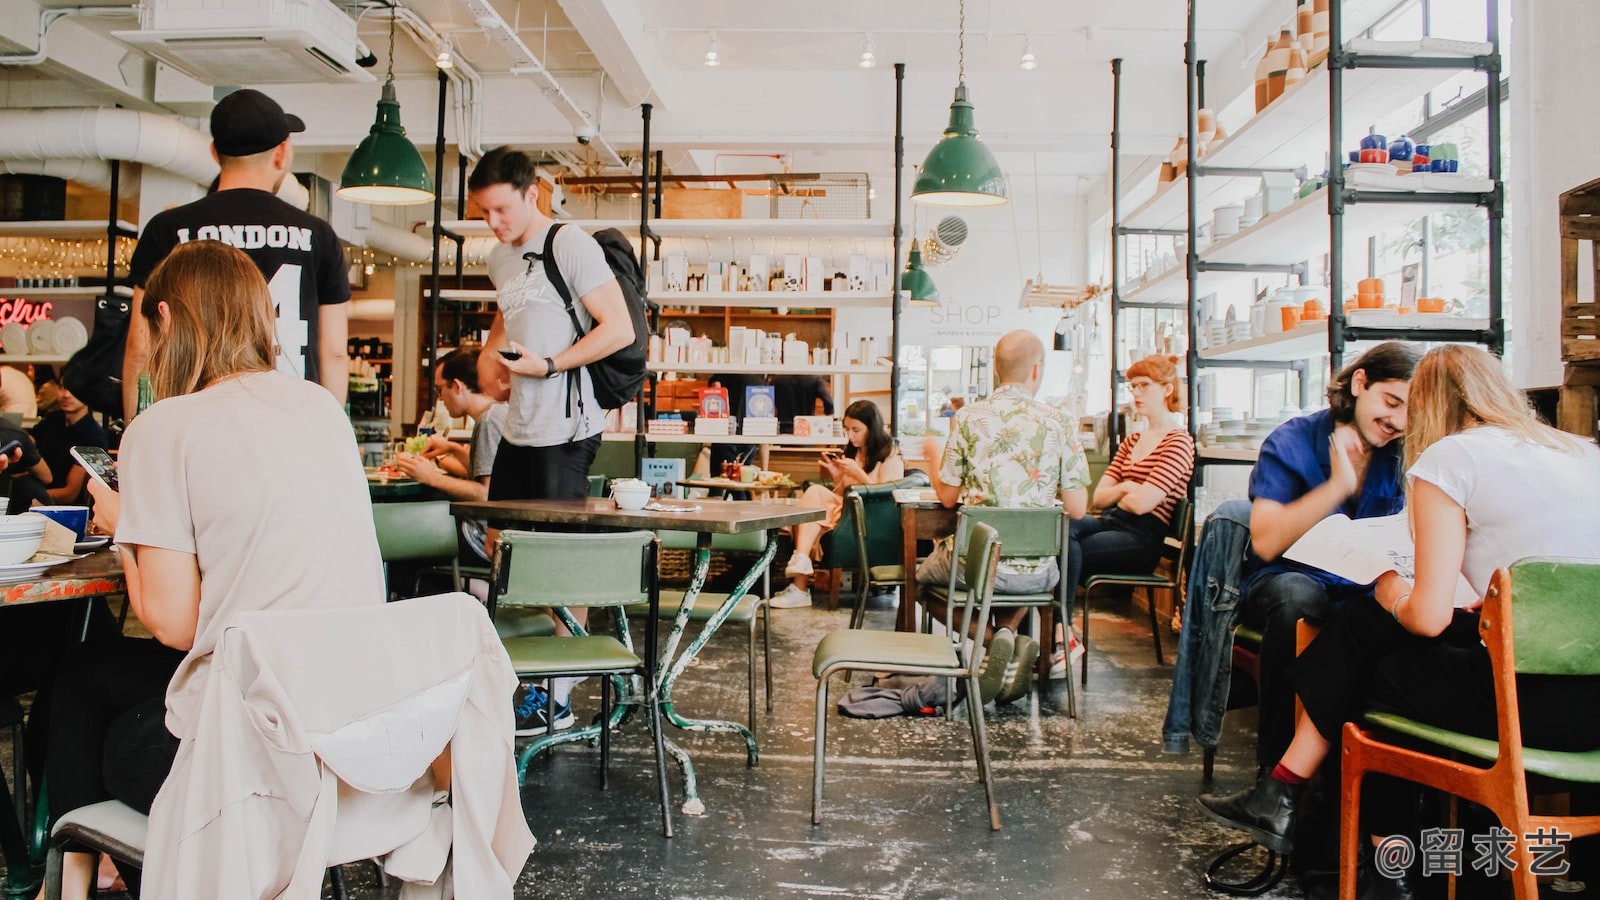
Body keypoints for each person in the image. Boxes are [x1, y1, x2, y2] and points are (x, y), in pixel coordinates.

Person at [42, 240, 384, 899]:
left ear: (165, 320)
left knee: (83, 683)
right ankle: (93, 872)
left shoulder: (164, 427)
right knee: (94, 674)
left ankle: (81, 876)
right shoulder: (320, 408)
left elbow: (172, 624)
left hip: (251, 758)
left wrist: (125, 529)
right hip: (347, 731)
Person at [1200, 344, 1600, 898]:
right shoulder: (1582, 451)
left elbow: (1428, 618)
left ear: (1429, 404)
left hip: (1523, 707)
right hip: (1592, 707)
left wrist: (1388, 585)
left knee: (1372, 652)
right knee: (1371, 632)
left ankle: (1342, 839)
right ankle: (1295, 800)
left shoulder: (1451, 459)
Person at [467, 146, 634, 735]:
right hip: (518, 427)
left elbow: (619, 329)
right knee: (502, 551)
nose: (493, 224)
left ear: (532, 193)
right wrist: (495, 356)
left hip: (567, 427)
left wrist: (551, 365)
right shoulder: (498, 258)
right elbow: (511, 310)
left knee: (562, 566)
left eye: (502, 211)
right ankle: (513, 680)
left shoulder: (571, 244)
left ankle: (557, 698)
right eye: (484, 213)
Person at [1235, 341, 1420, 769]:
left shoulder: (1403, 455)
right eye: (1391, 402)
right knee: (1300, 597)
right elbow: (1265, 541)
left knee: (1410, 616)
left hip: (1365, 589)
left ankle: (1376, 784)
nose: (1397, 421)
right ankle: (1275, 774)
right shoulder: (1293, 440)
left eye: (1411, 412)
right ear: (1360, 383)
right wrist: (1336, 486)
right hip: (1284, 583)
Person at [123, 88, 351, 419]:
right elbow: (333, 353)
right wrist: (331, 434)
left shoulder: (168, 229)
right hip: (291, 420)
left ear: (215, 153)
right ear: (282, 154)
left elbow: (140, 345)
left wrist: (135, 429)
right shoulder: (318, 236)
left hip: (196, 419)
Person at [917, 330, 1091, 692]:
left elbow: (948, 498)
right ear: (1037, 369)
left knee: (922, 582)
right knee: (1026, 574)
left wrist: (933, 457)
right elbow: (1077, 509)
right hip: (1039, 574)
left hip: (975, 568)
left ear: (996, 369)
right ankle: (1009, 635)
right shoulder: (1061, 421)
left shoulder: (968, 417)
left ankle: (993, 640)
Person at [1056, 354, 1194, 676]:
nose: (1137, 394)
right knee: (1061, 526)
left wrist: (1127, 490)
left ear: (1167, 389)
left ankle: (1059, 634)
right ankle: (1061, 634)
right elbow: (1101, 497)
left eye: (1145, 386)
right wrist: (1127, 487)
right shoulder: (1132, 440)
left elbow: (1145, 504)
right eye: (1133, 387)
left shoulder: (1179, 442)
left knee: (1064, 545)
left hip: (1142, 539)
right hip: (1112, 523)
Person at [768, 400, 904, 609]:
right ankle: (801, 572)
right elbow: (843, 492)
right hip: (848, 511)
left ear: (872, 427)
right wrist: (837, 475)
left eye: (856, 430)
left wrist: (858, 474)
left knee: (812, 506)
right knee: (811, 504)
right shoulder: (855, 451)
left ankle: (800, 586)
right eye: (847, 429)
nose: (850, 435)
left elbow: (888, 495)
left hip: (871, 517)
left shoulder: (890, 454)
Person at [393, 347, 507, 569]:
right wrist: (453, 448)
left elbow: (487, 495)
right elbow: (495, 472)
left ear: (457, 386)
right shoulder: (498, 412)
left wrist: (431, 477)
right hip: (498, 534)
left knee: (400, 540)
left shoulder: (489, 423)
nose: (440, 398)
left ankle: (473, 588)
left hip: (481, 538)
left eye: (439, 390)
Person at [30, 370, 110, 505]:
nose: (66, 394)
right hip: (37, 497)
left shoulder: (93, 436)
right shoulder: (50, 422)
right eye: (62, 387)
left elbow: (70, 493)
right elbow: (27, 446)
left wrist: (29, 495)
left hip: (67, 510)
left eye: (74, 389)